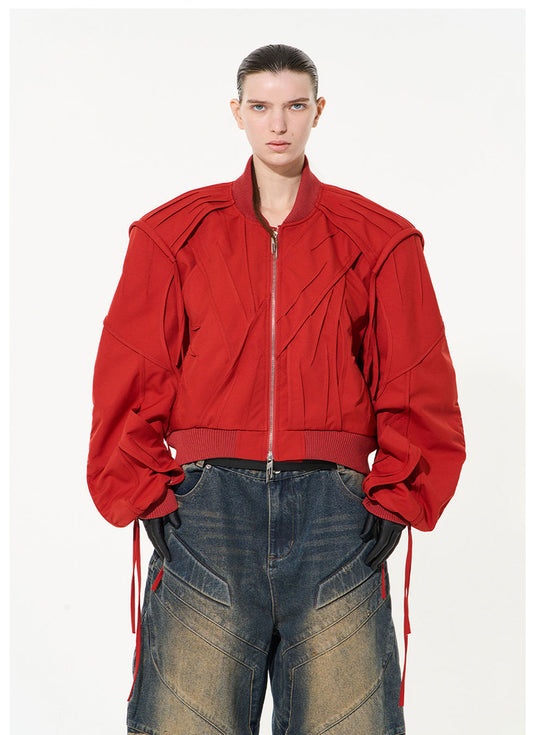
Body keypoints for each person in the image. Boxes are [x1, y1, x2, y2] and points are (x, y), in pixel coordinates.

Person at [86, 44, 466, 735]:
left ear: (319, 111)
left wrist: (401, 492)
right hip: (206, 510)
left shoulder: (380, 240)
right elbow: (130, 372)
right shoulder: (172, 234)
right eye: (261, 106)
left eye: (294, 105)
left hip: (335, 512)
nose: (278, 124)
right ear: (237, 113)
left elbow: (417, 380)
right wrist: (143, 492)